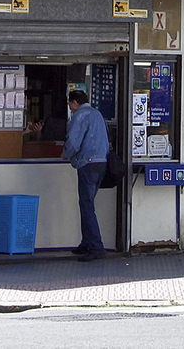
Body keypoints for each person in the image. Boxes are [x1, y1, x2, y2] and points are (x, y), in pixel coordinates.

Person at [62, 89, 110, 261]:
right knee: (87, 203)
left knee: (87, 205)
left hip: (87, 164)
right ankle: (87, 242)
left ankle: (96, 246)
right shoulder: (97, 114)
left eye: (70, 103)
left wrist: (65, 155)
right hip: (101, 163)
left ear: (75, 102)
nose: (70, 107)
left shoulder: (80, 116)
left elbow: (73, 143)